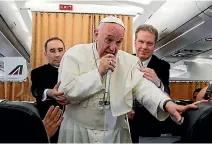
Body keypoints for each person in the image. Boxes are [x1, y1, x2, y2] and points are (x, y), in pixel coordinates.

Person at [57, 16, 199, 143]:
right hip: (78, 132)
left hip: (114, 134)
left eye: (118, 42)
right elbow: (65, 92)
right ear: (96, 34)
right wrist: (98, 72)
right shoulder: (74, 55)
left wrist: (166, 103)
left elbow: (143, 87)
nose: (113, 48)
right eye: (108, 40)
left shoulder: (128, 61)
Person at [128, 24, 171, 142]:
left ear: (154, 46)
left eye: (149, 43)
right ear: (135, 43)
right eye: (141, 42)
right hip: (125, 124)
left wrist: (157, 81)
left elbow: (167, 94)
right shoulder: (124, 62)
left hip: (150, 125)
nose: (144, 47)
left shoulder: (163, 66)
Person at [31, 37, 68, 143]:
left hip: (74, 125)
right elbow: (35, 91)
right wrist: (49, 92)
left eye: (60, 50)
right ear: (45, 54)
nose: (57, 54)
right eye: (52, 51)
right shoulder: (37, 72)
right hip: (51, 127)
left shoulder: (75, 71)